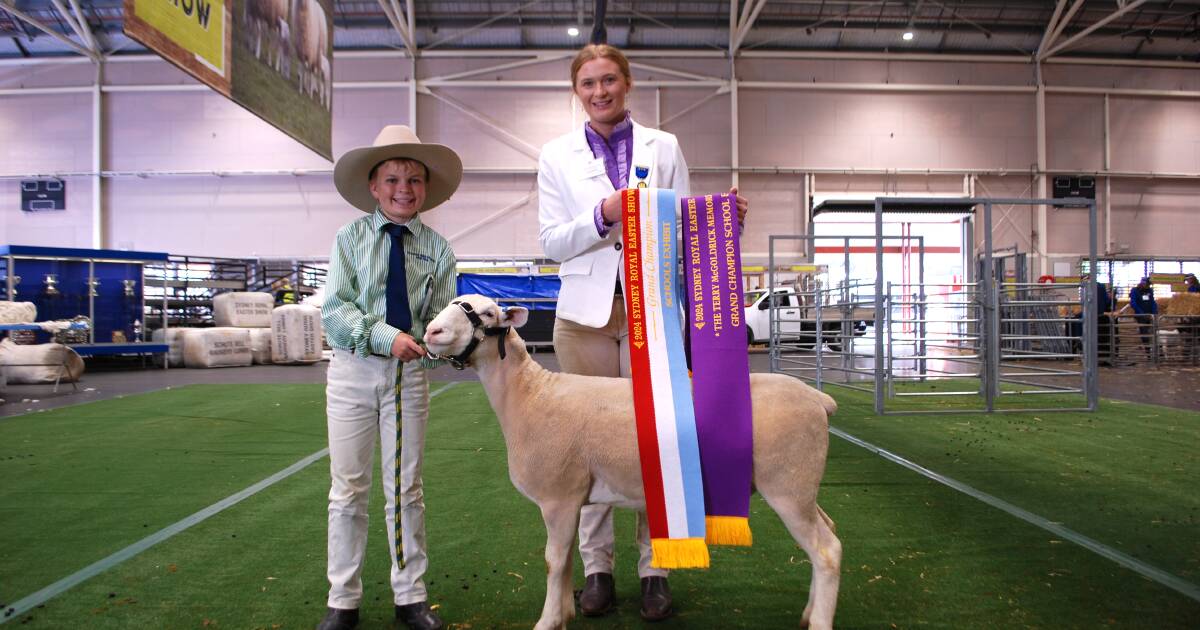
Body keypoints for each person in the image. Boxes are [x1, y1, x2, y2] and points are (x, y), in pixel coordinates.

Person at [537, 43, 747, 622]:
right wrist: (602, 215)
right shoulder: (555, 156)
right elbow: (551, 240)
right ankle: (597, 568)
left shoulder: (665, 146)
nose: (599, 92)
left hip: (653, 312)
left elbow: (681, 226)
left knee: (658, 436)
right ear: (576, 92)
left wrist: (721, 220)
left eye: (609, 80)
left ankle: (656, 567)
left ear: (627, 84)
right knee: (585, 445)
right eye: (588, 84)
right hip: (584, 317)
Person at [316, 125, 461, 630]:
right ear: (374, 186)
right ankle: (343, 599)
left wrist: (448, 344)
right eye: (394, 178)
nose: (405, 188)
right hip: (353, 373)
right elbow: (334, 310)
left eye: (415, 179)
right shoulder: (349, 239)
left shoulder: (439, 250)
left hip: (409, 378)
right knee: (348, 488)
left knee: (407, 489)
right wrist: (384, 336)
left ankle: (410, 596)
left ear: (426, 188)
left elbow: (441, 318)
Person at [1124, 277, 1158, 359]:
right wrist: (1141, 313)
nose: (1148, 286)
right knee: (1144, 332)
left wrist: (1154, 312)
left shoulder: (1149, 291)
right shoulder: (1135, 291)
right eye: (1147, 284)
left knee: (1152, 332)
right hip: (1141, 315)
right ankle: (1148, 352)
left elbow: (1152, 301)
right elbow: (1133, 303)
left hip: (1150, 315)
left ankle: (1155, 351)